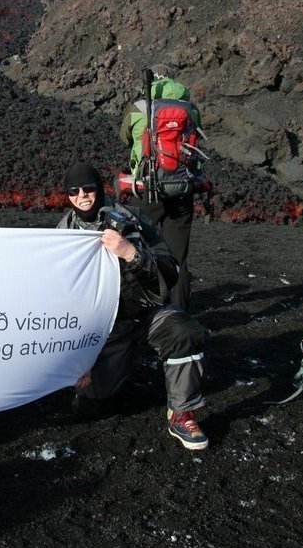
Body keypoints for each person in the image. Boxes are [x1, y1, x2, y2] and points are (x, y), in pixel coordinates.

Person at [57, 162, 210, 450]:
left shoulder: (133, 218)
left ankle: (182, 412)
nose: (82, 196)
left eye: (88, 188)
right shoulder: (61, 236)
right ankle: (114, 373)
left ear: (99, 188)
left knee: (183, 330)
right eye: (74, 191)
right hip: (103, 329)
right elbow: (60, 301)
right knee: (96, 407)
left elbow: (171, 269)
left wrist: (131, 253)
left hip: (145, 311)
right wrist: (79, 359)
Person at [119, 63, 207, 314]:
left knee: (135, 248)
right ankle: (178, 313)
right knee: (178, 256)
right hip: (182, 188)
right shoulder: (190, 109)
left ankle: (138, 306)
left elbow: (125, 136)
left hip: (148, 188)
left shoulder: (139, 107)